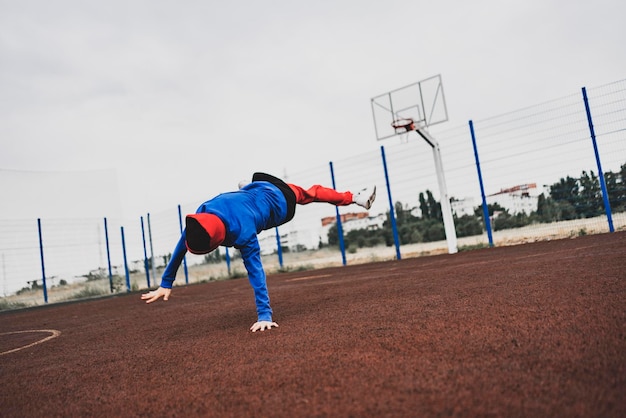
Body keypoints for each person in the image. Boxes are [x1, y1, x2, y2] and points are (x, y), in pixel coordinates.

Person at [141, 172, 376, 332]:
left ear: (217, 244)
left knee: (308, 193)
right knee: (267, 183)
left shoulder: (244, 235)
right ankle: (248, 190)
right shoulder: (201, 214)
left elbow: (256, 272)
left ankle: (356, 198)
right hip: (254, 191)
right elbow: (183, 244)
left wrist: (265, 315)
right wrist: (166, 282)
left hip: (280, 203)